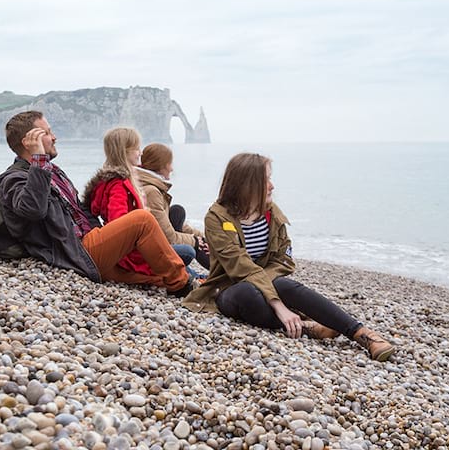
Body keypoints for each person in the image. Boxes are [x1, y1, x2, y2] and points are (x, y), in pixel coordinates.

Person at [183, 153, 396, 361]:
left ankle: (363, 335)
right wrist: (278, 305)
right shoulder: (217, 217)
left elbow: (284, 259)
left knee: (284, 285)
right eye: (266, 179)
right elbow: (239, 266)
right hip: (230, 287)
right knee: (248, 293)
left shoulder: (271, 213)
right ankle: (306, 327)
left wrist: (270, 286)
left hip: (270, 281)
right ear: (248, 183)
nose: (272, 185)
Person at [0, 111, 191, 295]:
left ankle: (196, 285)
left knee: (157, 277)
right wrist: (38, 160)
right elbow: (33, 210)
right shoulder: (14, 178)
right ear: (29, 142)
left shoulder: (53, 171)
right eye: (47, 133)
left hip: (90, 246)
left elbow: (82, 210)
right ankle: (183, 284)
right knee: (143, 220)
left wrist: (110, 239)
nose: (54, 137)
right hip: (76, 251)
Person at [81, 128, 198, 281]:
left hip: (129, 250)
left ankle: (195, 276)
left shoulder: (106, 182)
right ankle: (187, 279)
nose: (140, 153)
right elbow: (120, 223)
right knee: (188, 252)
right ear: (125, 152)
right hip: (131, 255)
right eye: (136, 148)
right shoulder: (118, 185)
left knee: (181, 250)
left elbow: (94, 209)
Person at [136, 143, 210, 271]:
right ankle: (223, 273)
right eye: (170, 164)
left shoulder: (150, 186)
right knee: (190, 249)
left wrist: (205, 237)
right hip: (151, 249)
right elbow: (169, 238)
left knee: (177, 212)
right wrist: (196, 241)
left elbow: (175, 226)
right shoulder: (151, 192)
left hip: (156, 241)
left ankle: (219, 272)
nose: (172, 169)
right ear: (161, 166)